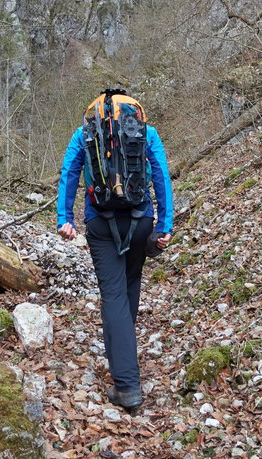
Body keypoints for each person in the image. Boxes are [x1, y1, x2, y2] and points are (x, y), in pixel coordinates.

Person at [56, 89, 173, 410]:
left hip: (100, 223)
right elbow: (162, 174)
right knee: (130, 283)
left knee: (113, 295)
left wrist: (65, 219)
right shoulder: (147, 132)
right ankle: (124, 361)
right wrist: (165, 224)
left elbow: (69, 173)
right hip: (140, 222)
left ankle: (127, 385)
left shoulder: (85, 133)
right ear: (132, 110)